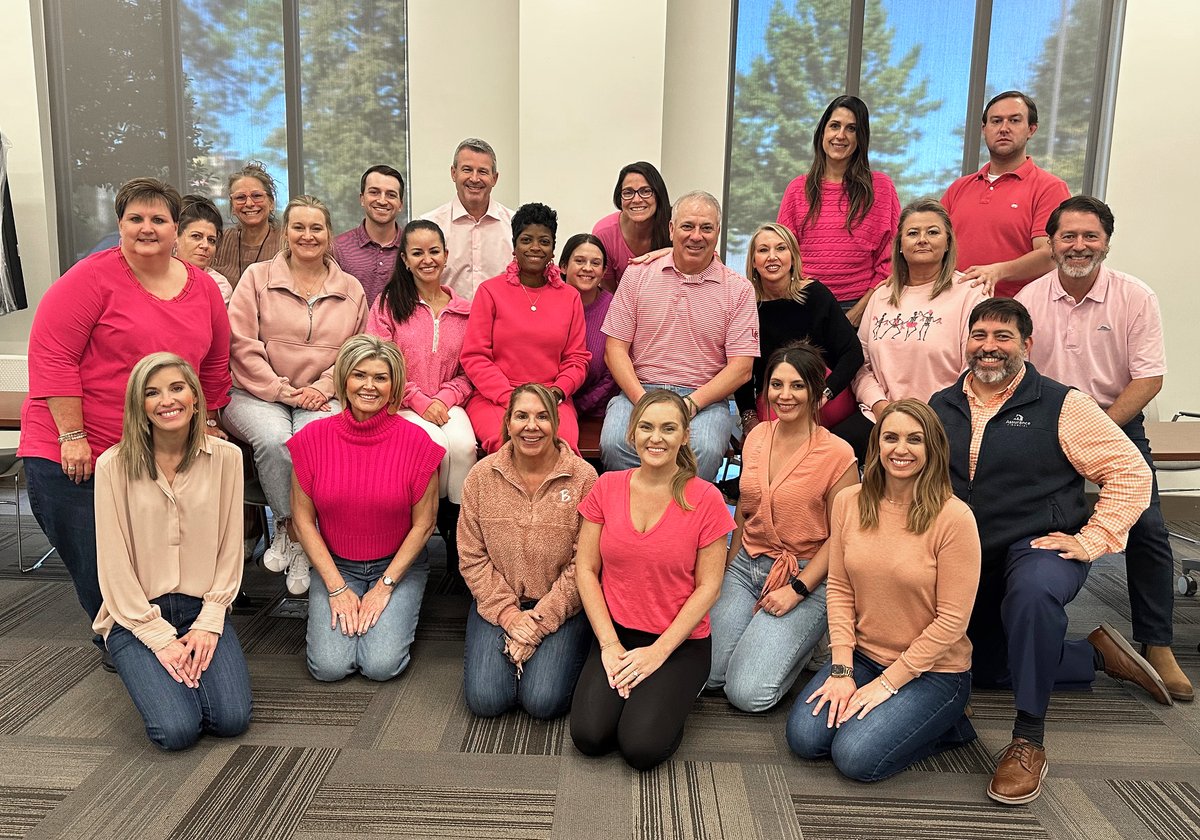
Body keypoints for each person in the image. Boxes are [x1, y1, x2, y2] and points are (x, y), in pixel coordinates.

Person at [929, 298, 1167, 806]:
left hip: (1034, 547)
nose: (989, 347)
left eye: (1003, 336)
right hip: (966, 555)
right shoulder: (939, 405)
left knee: (1033, 598)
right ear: (966, 342)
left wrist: (1089, 541)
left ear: (1027, 345)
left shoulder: (1064, 404)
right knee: (991, 668)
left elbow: (1129, 472)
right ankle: (1091, 656)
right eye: (980, 335)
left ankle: (1028, 738)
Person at [19, 177, 231, 662]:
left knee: (147, 554)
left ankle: (146, 634)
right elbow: (52, 356)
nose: (147, 228)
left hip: (154, 447)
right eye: (136, 218)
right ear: (120, 224)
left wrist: (211, 419)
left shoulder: (200, 287)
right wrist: (73, 436)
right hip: (78, 445)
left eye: (159, 219)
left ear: (176, 229)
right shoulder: (89, 279)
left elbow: (215, 362)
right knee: (98, 557)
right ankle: (121, 641)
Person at [1016, 196, 1192, 703]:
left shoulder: (1135, 296)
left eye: (1089, 236)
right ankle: (1033, 626)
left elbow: (1149, 377)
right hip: (1046, 425)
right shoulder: (1030, 298)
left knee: (1149, 526)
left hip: (1116, 422)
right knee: (1030, 520)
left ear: (1107, 242)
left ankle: (1156, 643)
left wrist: (1098, 428)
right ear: (1051, 244)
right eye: (1068, 236)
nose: (1078, 245)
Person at [786, 400, 980, 781]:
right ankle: (897, 718)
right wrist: (841, 669)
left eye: (915, 439)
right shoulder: (850, 502)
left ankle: (950, 722)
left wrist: (887, 685)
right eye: (890, 437)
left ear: (933, 449)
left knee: (855, 758)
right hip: (864, 657)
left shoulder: (954, 518)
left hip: (934, 670)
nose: (901, 449)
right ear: (877, 445)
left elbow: (952, 622)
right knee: (805, 740)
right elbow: (840, 588)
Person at [570, 390, 735, 770]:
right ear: (631, 433)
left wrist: (657, 655)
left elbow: (709, 587)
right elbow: (586, 570)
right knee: (590, 737)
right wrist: (609, 645)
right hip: (617, 634)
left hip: (677, 643)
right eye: (646, 427)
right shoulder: (607, 486)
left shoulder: (706, 498)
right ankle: (638, 692)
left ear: (685, 436)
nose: (655, 438)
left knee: (640, 747)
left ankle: (673, 692)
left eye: (668, 428)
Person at [94, 353, 251, 750]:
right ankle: (155, 670)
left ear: (195, 398)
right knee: (177, 731)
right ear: (140, 406)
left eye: (177, 388)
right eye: (152, 393)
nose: (167, 400)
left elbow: (230, 551)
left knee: (230, 720)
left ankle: (188, 675)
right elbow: (114, 565)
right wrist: (158, 637)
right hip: (136, 615)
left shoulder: (227, 458)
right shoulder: (112, 466)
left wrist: (210, 620)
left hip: (201, 608)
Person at [223, 195, 368, 596]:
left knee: (311, 444)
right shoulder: (256, 277)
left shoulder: (351, 289)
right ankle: (292, 530)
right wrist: (280, 389)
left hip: (322, 394)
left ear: (330, 235)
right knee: (273, 440)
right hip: (256, 391)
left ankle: (303, 535)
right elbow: (240, 342)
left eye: (316, 228)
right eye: (299, 227)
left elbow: (354, 352)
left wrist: (320, 389)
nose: (308, 235)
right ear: (286, 232)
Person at [708, 343, 858, 712]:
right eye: (777, 385)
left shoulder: (839, 454)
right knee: (708, 675)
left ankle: (810, 643)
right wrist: (728, 568)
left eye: (797, 386)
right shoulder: (757, 437)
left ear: (815, 393)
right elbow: (744, 506)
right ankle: (764, 637)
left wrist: (797, 591)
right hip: (748, 564)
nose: (785, 395)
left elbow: (842, 538)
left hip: (806, 574)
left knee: (747, 695)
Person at [287, 335, 443, 682]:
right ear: (344, 379)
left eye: (380, 378)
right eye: (359, 375)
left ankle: (383, 613)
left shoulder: (418, 443)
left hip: (397, 565)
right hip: (337, 565)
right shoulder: (311, 440)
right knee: (328, 668)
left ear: (394, 386)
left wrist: (385, 586)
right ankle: (351, 615)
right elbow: (303, 520)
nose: (369, 386)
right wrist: (336, 587)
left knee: (380, 666)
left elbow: (424, 525)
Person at [458, 384, 598, 719]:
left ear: (556, 423)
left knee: (543, 702)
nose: (531, 426)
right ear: (508, 423)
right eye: (521, 416)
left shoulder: (584, 478)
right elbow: (472, 557)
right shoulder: (480, 477)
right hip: (499, 599)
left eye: (542, 417)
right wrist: (509, 616)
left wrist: (539, 624)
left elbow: (585, 563)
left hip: (562, 603)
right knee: (486, 700)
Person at [600, 191, 759, 481]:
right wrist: (643, 401)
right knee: (615, 443)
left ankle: (682, 524)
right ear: (672, 229)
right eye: (687, 226)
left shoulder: (739, 290)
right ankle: (632, 520)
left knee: (705, 449)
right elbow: (614, 350)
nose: (696, 236)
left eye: (706, 228)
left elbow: (742, 368)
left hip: (704, 400)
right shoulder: (637, 276)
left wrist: (690, 404)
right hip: (640, 390)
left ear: (718, 233)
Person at [366, 219, 475, 581]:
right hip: (401, 402)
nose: (426, 259)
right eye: (417, 253)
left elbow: (469, 368)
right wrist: (418, 399)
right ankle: (433, 527)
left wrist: (444, 397)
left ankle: (461, 538)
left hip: (448, 400)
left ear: (445, 256)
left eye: (434, 251)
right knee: (432, 449)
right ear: (406, 260)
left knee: (463, 447)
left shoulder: (464, 309)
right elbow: (379, 362)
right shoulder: (387, 304)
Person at [839, 198, 986, 463]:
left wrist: (927, 415)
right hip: (880, 415)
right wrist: (880, 406)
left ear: (948, 242)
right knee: (830, 456)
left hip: (944, 418)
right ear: (900, 246)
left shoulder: (970, 293)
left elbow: (975, 368)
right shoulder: (882, 295)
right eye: (913, 233)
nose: (922, 240)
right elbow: (860, 363)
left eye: (932, 232)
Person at [461, 202, 589, 453]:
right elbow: (475, 355)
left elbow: (577, 359)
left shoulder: (570, 297)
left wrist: (556, 393)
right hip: (496, 398)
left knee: (561, 448)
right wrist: (512, 398)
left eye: (544, 241)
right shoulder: (490, 291)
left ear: (553, 249)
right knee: (505, 445)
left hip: (552, 399)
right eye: (526, 239)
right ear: (514, 245)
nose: (535, 248)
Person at [776, 95, 901, 327]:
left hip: (862, 309)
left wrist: (857, 313)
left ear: (860, 138)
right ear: (822, 132)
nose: (840, 135)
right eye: (834, 126)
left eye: (851, 129)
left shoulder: (881, 188)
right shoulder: (797, 189)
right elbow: (784, 256)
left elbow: (890, 261)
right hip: (804, 304)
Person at [735, 223, 862, 436]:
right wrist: (748, 417)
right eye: (763, 250)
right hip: (776, 399)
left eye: (781, 248)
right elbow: (741, 370)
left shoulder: (816, 295)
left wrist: (824, 395)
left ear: (793, 257)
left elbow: (853, 353)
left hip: (824, 395)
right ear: (754, 262)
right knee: (771, 441)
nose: (772, 256)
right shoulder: (746, 306)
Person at [942, 91, 1070, 298]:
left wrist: (997, 271)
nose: (1004, 128)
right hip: (954, 306)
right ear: (984, 129)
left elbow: (1050, 255)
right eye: (996, 121)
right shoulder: (959, 187)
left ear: (1031, 129)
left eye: (1014, 120)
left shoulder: (1050, 188)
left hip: (1015, 314)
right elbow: (935, 245)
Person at [420, 138, 514, 300]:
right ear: (453, 173)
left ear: (495, 178)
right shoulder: (429, 226)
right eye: (467, 170)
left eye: (483, 171)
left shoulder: (515, 225)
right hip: (445, 322)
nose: (475, 179)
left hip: (501, 323)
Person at [560, 233, 619, 418]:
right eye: (579, 261)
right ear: (563, 266)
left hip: (598, 411)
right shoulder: (546, 301)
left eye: (595, 263)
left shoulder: (615, 307)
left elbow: (614, 373)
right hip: (549, 404)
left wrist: (580, 407)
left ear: (603, 271)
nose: (587, 268)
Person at [591, 161, 671, 291]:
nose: (637, 200)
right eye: (628, 192)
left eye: (646, 191)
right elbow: (610, 293)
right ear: (620, 198)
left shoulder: (677, 223)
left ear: (658, 194)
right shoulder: (604, 233)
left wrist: (671, 251)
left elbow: (709, 260)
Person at [334, 164, 406, 305]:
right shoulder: (338, 248)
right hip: (353, 328)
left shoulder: (412, 248)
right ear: (362, 199)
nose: (382, 200)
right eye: (374, 192)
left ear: (400, 204)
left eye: (391, 195)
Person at [210, 161, 285, 286]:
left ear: (271, 203)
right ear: (233, 207)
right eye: (240, 197)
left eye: (256, 196)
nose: (249, 203)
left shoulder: (287, 242)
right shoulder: (218, 241)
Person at [176, 194, 233, 303]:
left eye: (212, 240)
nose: (205, 245)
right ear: (175, 236)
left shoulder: (219, 285)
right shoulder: (154, 275)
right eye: (196, 236)